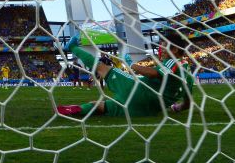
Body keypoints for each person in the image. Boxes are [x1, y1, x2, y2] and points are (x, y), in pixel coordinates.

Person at [57, 31, 194, 118]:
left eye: (163, 46)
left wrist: (131, 64)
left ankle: (72, 47)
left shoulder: (174, 62)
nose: (160, 50)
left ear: (175, 49)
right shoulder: (188, 75)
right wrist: (176, 107)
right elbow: (187, 103)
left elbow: (153, 73)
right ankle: (77, 109)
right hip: (147, 111)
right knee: (102, 106)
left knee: (102, 68)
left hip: (139, 92)